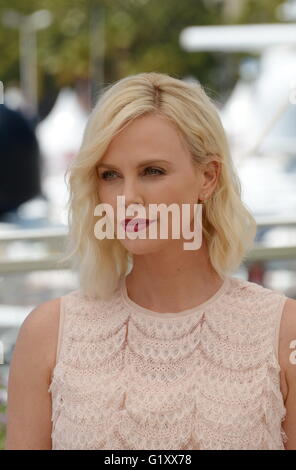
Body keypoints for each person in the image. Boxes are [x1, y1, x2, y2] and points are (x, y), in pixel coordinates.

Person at [5, 72, 296, 450]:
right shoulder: (47, 334)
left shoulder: (283, 331)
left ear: (208, 177)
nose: (127, 197)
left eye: (152, 171)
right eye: (110, 175)